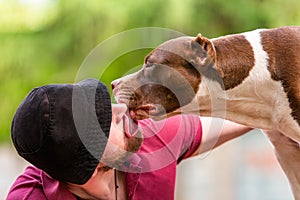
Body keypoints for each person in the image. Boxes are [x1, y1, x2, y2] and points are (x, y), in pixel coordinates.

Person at [5, 78, 289, 200]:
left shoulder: (149, 137)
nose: (122, 110)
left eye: (109, 105)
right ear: (86, 163)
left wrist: (283, 105)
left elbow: (232, 118)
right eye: (107, 122)